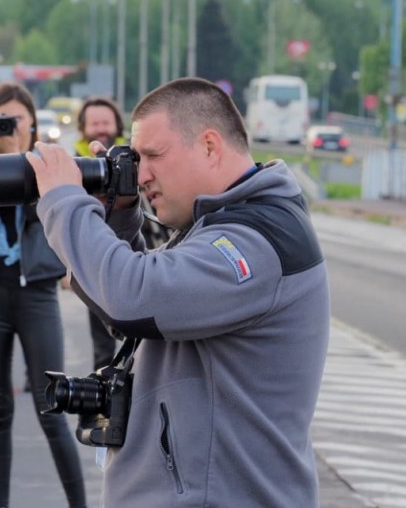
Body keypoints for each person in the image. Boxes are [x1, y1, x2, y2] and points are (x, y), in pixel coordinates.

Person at [26, 78, 330, 506]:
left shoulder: (252, 245)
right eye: (135, 158)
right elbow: (135, 315)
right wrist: (118, 215)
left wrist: (63, 199)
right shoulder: (221, 224)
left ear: (209, 145)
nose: (143, 172)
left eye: (153, 155)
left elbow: (133, 299)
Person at [0, 81, 87, 508]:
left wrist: (20, 152)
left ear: (33, 123)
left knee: (52, 407)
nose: (10, 125)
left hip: (36, 293)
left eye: (18, 119)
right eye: (3, 118)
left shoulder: (47, 165)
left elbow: (43, 215)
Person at [73, 97, 128, 370]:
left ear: (117, 123)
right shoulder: (73, 161)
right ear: (83, 127)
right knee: (103, 348)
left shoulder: (133, 156)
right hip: (96, 262)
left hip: (135, 250)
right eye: (94, 123)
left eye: (106, 122)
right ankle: (102, 408)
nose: (101, 128)